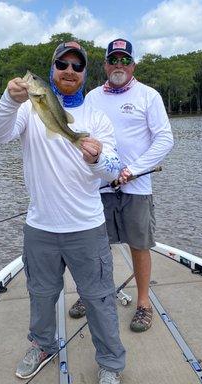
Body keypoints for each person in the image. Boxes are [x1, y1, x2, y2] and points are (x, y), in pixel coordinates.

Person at [0, 41, 125, 384]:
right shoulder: (27, 109)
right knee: (41, 295)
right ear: (51, 71)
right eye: (61, 64)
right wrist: (9, 100)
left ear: (84, 74)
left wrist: (95, 158)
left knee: (99, 299)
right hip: (40, 228)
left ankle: (110, 363)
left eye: (76, 66)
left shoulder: (96, 117)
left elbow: (113, 168)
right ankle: (42, 345)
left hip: (87, 228)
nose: (68, 70)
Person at [69, 38, 174, 333]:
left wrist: (132, 169)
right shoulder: (90, 97)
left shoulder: (148, 96)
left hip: (136, 187)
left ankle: (143, 303)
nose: (118, 65)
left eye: (124, 60)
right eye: (112, 60)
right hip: (99, 186)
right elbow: (80, 137)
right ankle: (90, 296)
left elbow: (165, 139)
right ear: (104, 65)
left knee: (139, 245)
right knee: (94, 246)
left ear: (133, 65)